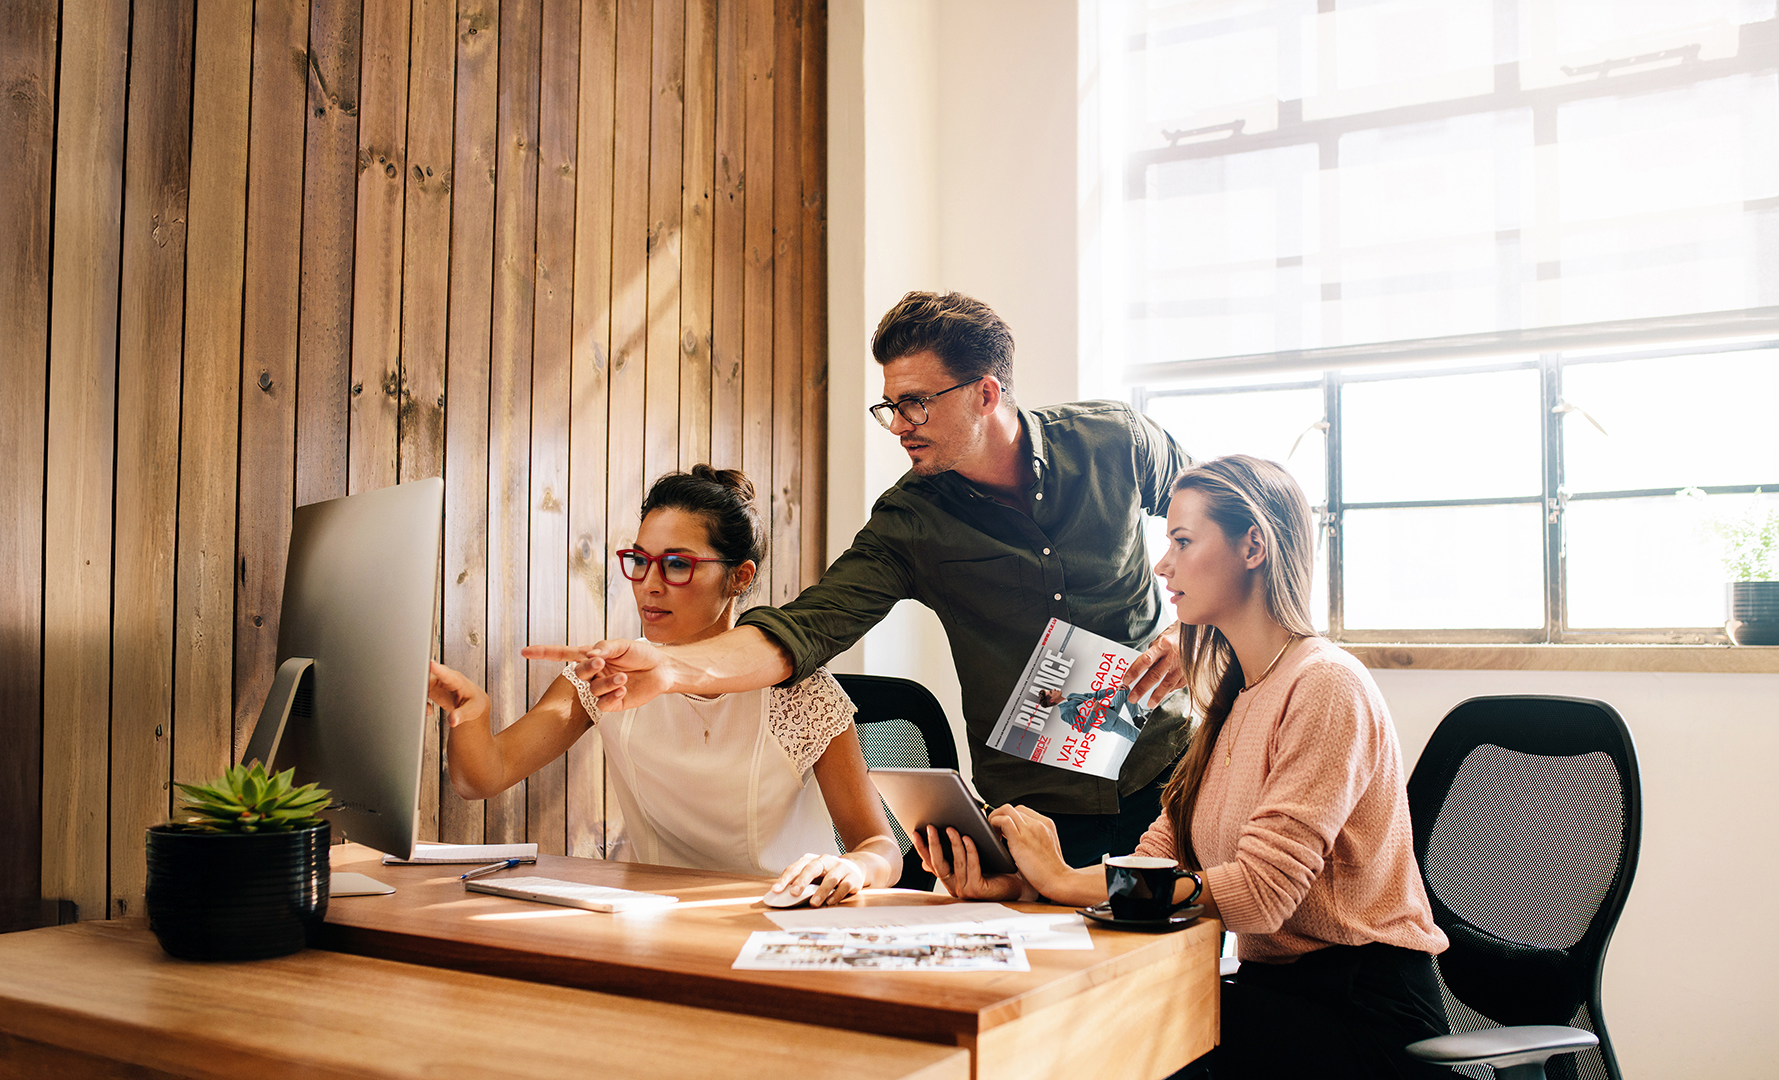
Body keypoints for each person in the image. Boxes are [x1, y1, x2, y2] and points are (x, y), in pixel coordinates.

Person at [537, 291, 1197, 867]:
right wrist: (676, 668)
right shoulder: (910, 520)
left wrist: (1188, 630)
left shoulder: (1113, 440)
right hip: (1040, 813)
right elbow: (804, 627)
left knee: (1180, 987)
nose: (899, 426)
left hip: (1168, 773)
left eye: (916, 404)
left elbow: (1229, 517)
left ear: (986, 393)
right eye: (890, 406)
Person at [921, 455, 1450, 1079]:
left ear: (1253, 545)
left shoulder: (1327, 686)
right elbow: (1154, 861)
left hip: (1366, 1013)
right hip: (1278, 996)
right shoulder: (1232, 698)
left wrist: (1064, 879)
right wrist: (1025, 885)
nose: (1162, 564)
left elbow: (1259, 896)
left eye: (1182, 541)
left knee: (1120, 1028)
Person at [429, 466, 901, 906]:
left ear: (740, 577)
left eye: (677, 565)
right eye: (639, 560)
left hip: (785, 919)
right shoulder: (606, 675)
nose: (648, 585)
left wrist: (854, 866)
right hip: (655, 921)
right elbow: (482, 777)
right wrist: (469, 708)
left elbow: (880, 845)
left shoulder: (798, 690)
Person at [1034, 684, 1147, 746]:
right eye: (1051, 691)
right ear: (1052, 700)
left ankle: (1137, 718)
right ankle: (1153, 747)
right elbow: (1084, 728)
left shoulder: (1071, 695)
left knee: (1124, 689)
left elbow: (1094, 695)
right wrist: (1094, 711)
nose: (1053, 689)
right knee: (1137, 737)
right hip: (1108, 722)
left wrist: (1113, 689)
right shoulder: (1065, 713)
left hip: (1109, 709)